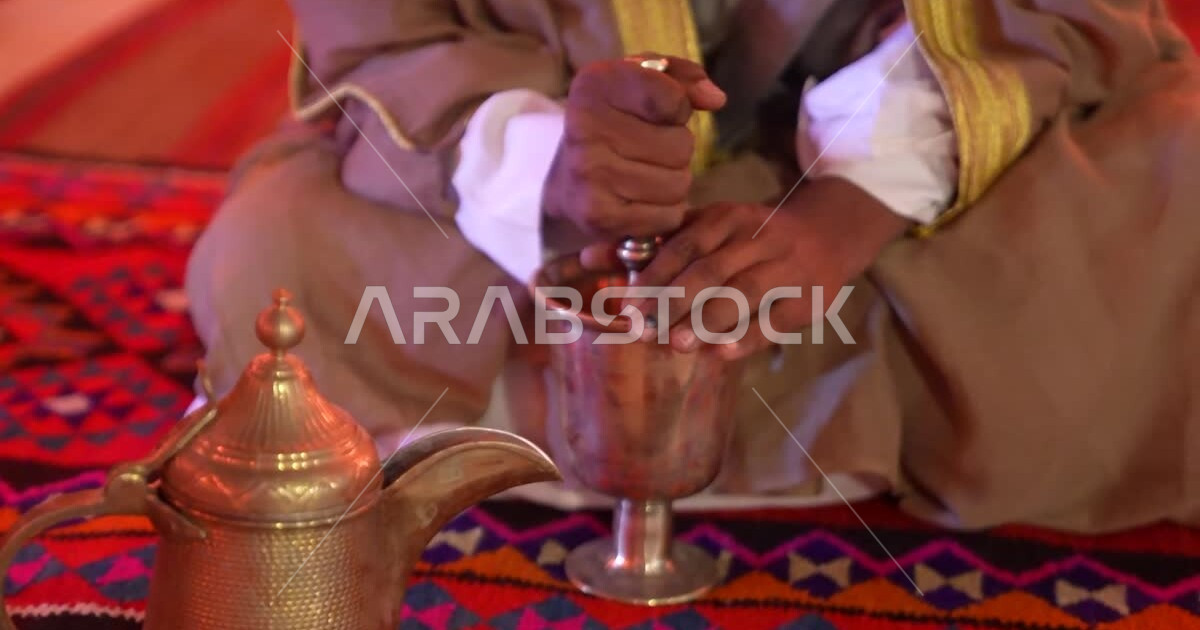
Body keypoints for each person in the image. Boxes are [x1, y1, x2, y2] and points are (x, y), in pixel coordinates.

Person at [186, 0, 1200, 532]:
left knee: (1175, 190)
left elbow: (1064, 15)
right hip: (520, 175)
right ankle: (839, 432)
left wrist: (850, 207)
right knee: (279, 256)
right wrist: (550, 164)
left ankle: (542, 440)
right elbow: (383, 33)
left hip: (929, 155)